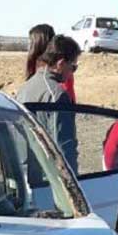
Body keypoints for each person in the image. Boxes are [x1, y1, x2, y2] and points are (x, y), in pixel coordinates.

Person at [17, 35, 81, 173]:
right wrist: (74, 181)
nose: (72, 73)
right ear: (61, 64)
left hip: (23, 171)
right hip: (46, 177)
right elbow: (63, 147)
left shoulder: (25, 87)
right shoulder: (57, 95)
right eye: (73, 67)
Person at [26, 24, 76, 102]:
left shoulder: (61, 68)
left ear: (38, 44)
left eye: (31, 42)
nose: (28, 47)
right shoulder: (37, 66)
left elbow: (66, 97)